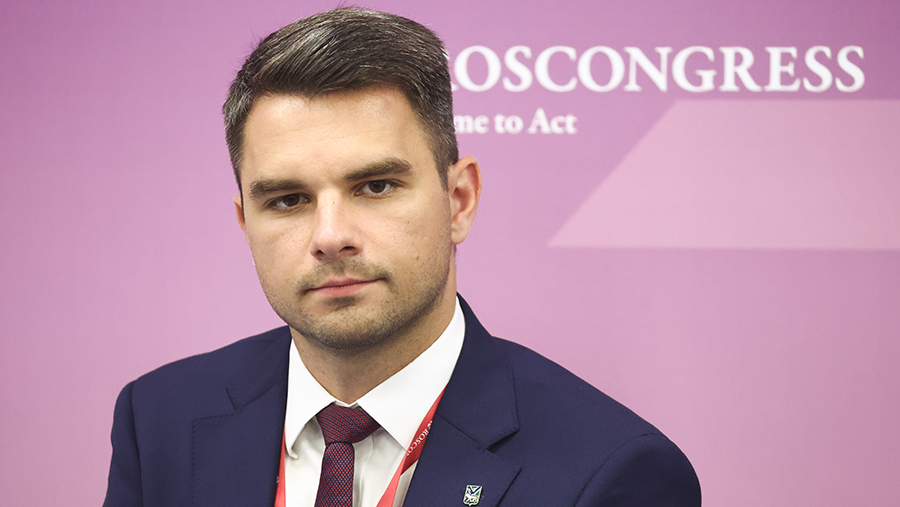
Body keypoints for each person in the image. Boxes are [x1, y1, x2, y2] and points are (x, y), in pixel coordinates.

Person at [103, 7, 701, 507]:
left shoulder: (610, 471)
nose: (330, 235)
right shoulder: (157, 420)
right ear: (244, 223)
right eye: (287, 200)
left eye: (375, 186)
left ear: (458, 200)